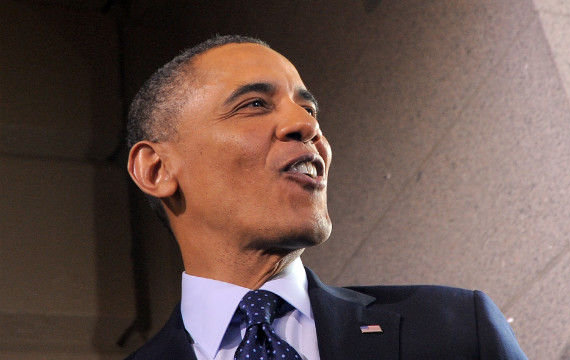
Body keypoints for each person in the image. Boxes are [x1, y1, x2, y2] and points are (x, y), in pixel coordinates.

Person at [124, 35, 528, 359]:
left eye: (310, 109)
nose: (306, 124)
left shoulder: (455, 328)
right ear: (156, 170)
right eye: (255, 104)